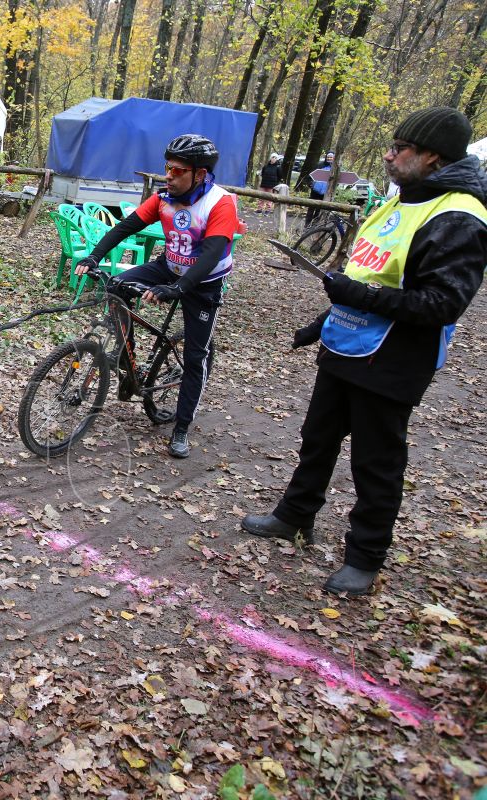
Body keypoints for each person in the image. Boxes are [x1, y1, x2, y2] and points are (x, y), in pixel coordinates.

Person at [241, 106, 487, 596]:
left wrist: (358, 299)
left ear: (432, 157)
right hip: (347, 343)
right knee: (318, 437)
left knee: (375, 460)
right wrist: (322, 322)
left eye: (400, 148)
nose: (389, 154)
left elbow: (443, 302)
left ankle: (365, 556)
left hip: (395, 360)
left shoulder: (459, 215)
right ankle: (294, 516)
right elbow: (366, 276)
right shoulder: (400, 200)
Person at [75, 134, 240, 459]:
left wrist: (178, 289)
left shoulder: (220, 203)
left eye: (178, 171)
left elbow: (210, 254)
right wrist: (93, 257)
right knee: (116, 285)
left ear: (200, 174)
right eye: (168, 168)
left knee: (195, 356)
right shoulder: (163, 199)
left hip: (205, 282)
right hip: (169, 266)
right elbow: (125, 227)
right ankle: (128, 354)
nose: (169, 175)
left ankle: (180, 427)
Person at [304, 151, 335, 226]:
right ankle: (307, 224)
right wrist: (311, 185)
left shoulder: (335, 168)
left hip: (326, 192)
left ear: (334, 158)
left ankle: (314, 225)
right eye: (328, 157)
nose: (329, 159)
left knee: (319, 210)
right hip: (315, 191)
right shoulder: (320, 165)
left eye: (331, 157)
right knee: (311, 208)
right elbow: (310, 176)